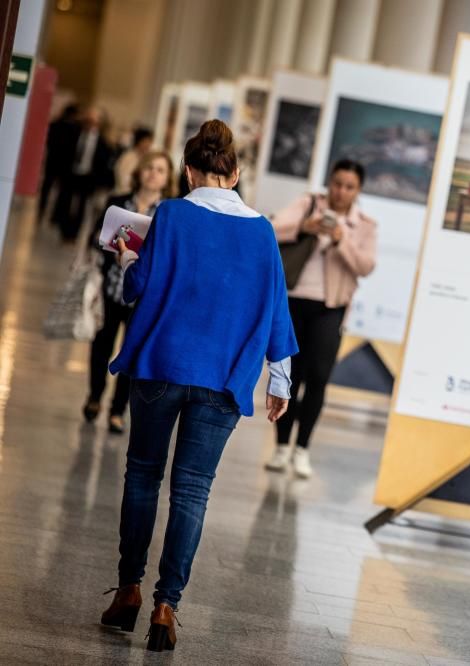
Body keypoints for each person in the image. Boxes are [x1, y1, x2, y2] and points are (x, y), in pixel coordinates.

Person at [100, 120, 297, 652]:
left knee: (143, 476)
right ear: (235, 173)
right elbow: (275, 303)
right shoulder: (261, 231)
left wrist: (128, 257)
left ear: (188, 171)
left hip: (162, 366)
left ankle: (129, 590)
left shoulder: (170, 214)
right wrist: (280, 376)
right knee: (192, 490)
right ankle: (167, 606)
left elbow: (137, 288)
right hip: (223, 379)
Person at [265, 159, 376, 478]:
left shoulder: (365, 226)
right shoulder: (308, 204)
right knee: (288, 376)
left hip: (332, 307)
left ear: (358, 190)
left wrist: (342, 240)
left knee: (318, 379)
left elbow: (366, 266)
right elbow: (270, 228)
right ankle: (281, 446)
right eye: (337, 183)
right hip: (294, 301)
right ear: (330, 182)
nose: (341, 192)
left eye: (349, 187)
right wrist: (303, 227)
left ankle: (302, 449)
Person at [83, 150, 175, 433]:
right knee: (102, 344)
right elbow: (95, 238)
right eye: (149, 167)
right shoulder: (118, 202)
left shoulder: (167, 213)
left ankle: (117, 410)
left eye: (160, 170)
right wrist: (112, 246)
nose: (153, 174)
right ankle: (95, 396)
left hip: (143, 294)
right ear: (140, 171)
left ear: (167, 178)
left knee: (131, 351)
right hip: (112, 286)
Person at [53, 107, 115, 241]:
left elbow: (103, 164)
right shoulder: (74, 133)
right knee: (66, 201)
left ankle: (73, 234)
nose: (91, 123)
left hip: (88, 178)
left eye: (94, 120)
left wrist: (98, 181)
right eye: (89, 119)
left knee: (81, 206)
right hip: (71, 174)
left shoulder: (103, 143)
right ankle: (63, 229)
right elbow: (63, 152)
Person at [39, 103, 79, 219]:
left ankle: (42, 209)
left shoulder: (55, 125)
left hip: (53, 161)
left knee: (47, 187)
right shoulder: (75, 129)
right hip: (65, 165)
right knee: (61, 191)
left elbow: (48, 141)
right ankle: (55, 215)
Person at [113, 127, 154, 195]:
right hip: (123, 195)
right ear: (139, 141)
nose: (148, 145)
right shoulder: (128, 157)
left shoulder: (148, 158)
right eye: (145, 141)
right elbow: (123, 180)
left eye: (150, 142)